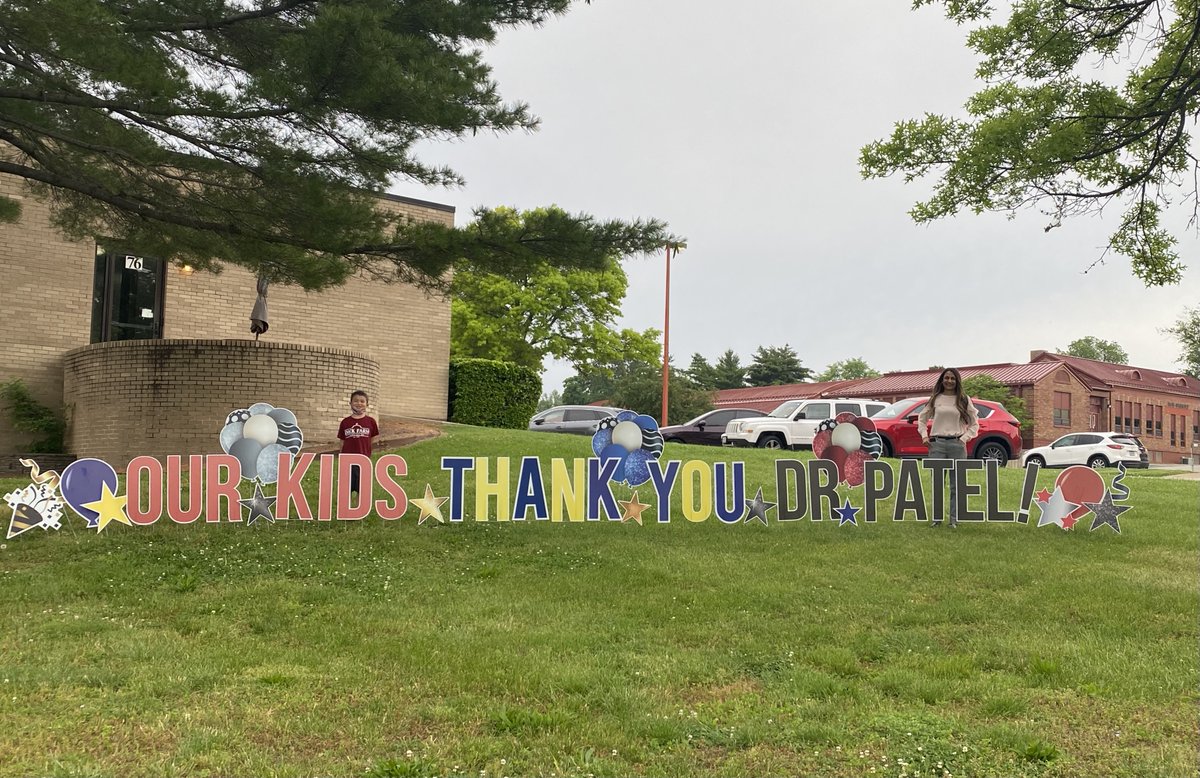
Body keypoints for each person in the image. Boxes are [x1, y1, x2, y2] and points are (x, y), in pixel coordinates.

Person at [917, 368, 979, 527]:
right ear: (942, 380)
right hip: (937, 445)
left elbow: (974, 424)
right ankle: (936, 519)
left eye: (952, 378)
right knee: (937, 483)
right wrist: (924, 435)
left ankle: (954, 520)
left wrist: (964, 438)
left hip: (957, 445)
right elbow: (922, 419)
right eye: (946, 378)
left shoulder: (964, 399)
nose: (949, 381)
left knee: (956, 485)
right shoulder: (935, 398)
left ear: (957, 381)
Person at [337, 390, 379, 495]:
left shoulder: (371, 421)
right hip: (348, 460)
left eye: (362, 401)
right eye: (355, 401)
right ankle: (346, 508)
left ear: (367, 404)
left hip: (363, 459)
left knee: (362, 488)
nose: (359, 403)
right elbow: (342, 441)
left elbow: (372, 439)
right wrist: (341, 456)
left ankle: (359, 508)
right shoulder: (345, 422)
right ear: (350, 403)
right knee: (347, 487)